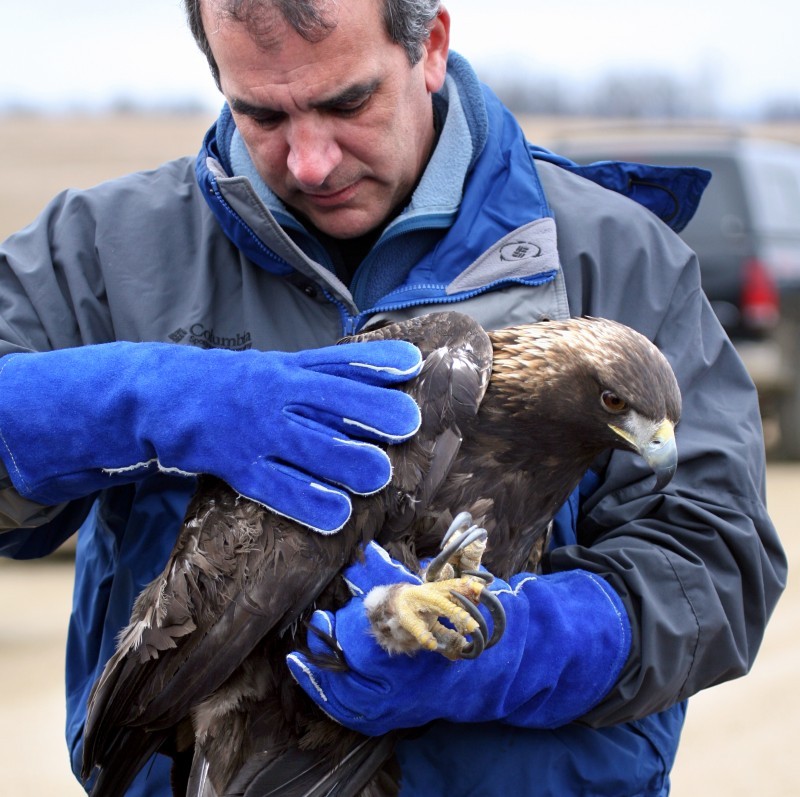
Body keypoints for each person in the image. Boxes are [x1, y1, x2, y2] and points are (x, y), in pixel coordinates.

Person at [0, 0, 786, 794]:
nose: (310, 160)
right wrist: (131, 401)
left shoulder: (612, 255)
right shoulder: (105, 251)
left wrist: (525, 646)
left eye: (348, 102)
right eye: (261, 113)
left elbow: (716, 563)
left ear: (432, 46)